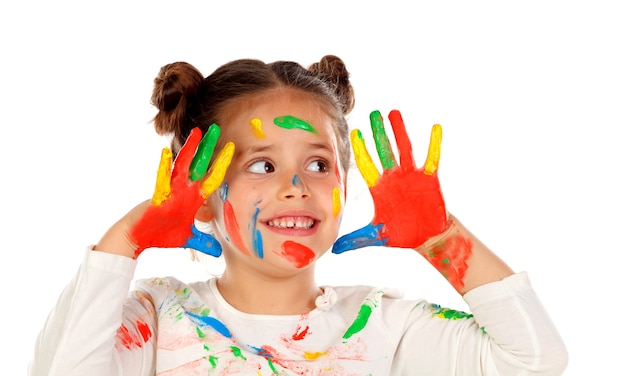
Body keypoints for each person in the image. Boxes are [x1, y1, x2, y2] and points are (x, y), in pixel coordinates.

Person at [28, 55, 568, 375]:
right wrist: (126, 239)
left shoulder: (383, 324)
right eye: (261, 165)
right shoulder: (156, 315)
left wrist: (443, 240)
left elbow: (535, 360)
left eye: (317, 163)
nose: (296, 187)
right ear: (201, 188)